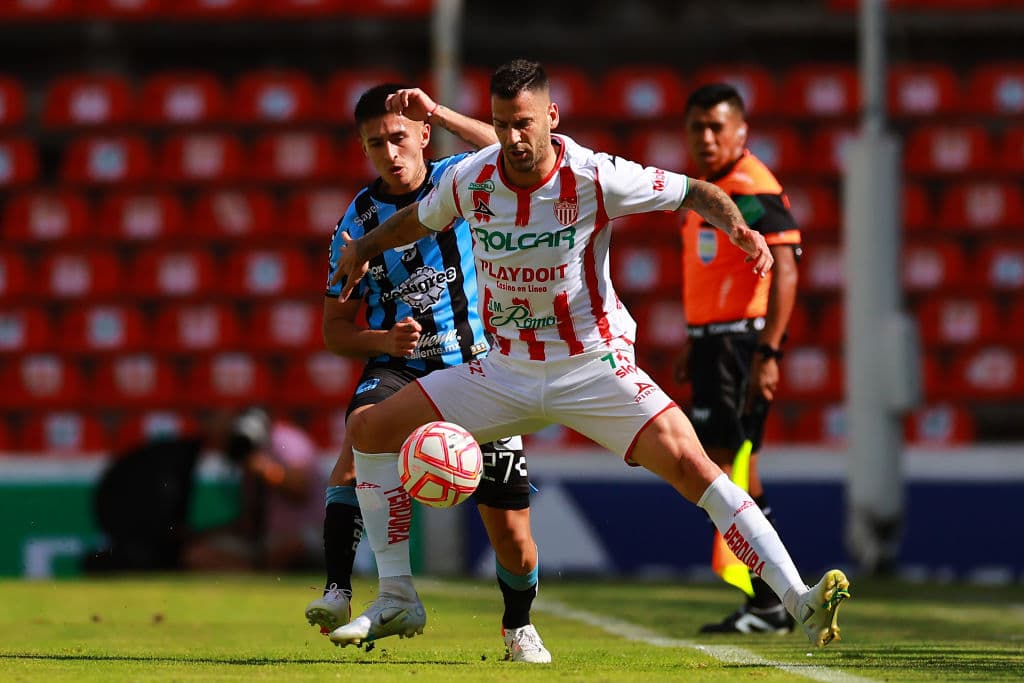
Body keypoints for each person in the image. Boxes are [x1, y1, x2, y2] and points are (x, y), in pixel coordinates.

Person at [331, 59, 850, 650]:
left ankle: (798, 600)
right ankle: (397, 595)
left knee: (695, 465)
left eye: (523, 123)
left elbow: (696, 191)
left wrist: (740, 230)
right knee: (370, 430)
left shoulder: (596, 176)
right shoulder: (470, 179)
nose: (512, 139)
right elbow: (413, 223)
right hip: (504, 371)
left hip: (593, 369)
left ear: (551, 117)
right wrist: (363, 249)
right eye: (501, 125)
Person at [304, 83, 550, 663]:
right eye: (375, 144)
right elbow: (335, 330)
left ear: (421, 134)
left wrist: (440, 110)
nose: (390, 153)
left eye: (398, 137)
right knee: (361, 432)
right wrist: (382, 339)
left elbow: (518, 150)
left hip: (479, 371)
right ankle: (348, 589)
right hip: (401, 367)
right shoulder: (356, 222)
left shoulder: (462, 177)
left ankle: (518, 627)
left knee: (515, 543)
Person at [672, 83, 804, 635]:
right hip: (714, 342)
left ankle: (770, 605)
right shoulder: (711, 189)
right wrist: (695, 340)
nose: (706, 137)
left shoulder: (752, 187)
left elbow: (787, 269)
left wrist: (769, 351)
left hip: (739, 346)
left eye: (717, 127)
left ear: (741, 132)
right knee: (729, 470)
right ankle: (768, 603)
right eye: (697, 127)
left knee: (728, 471)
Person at [85, 407, 322, 573]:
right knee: (197, 555)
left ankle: (264, 580)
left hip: (308, 534)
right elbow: (250, 521)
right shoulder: (248, 455)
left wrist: (263, 467)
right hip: (265, 540)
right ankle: (258, 583)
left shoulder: (287, 440)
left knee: (284, 549)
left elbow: (298, 489)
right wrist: (203, 535)